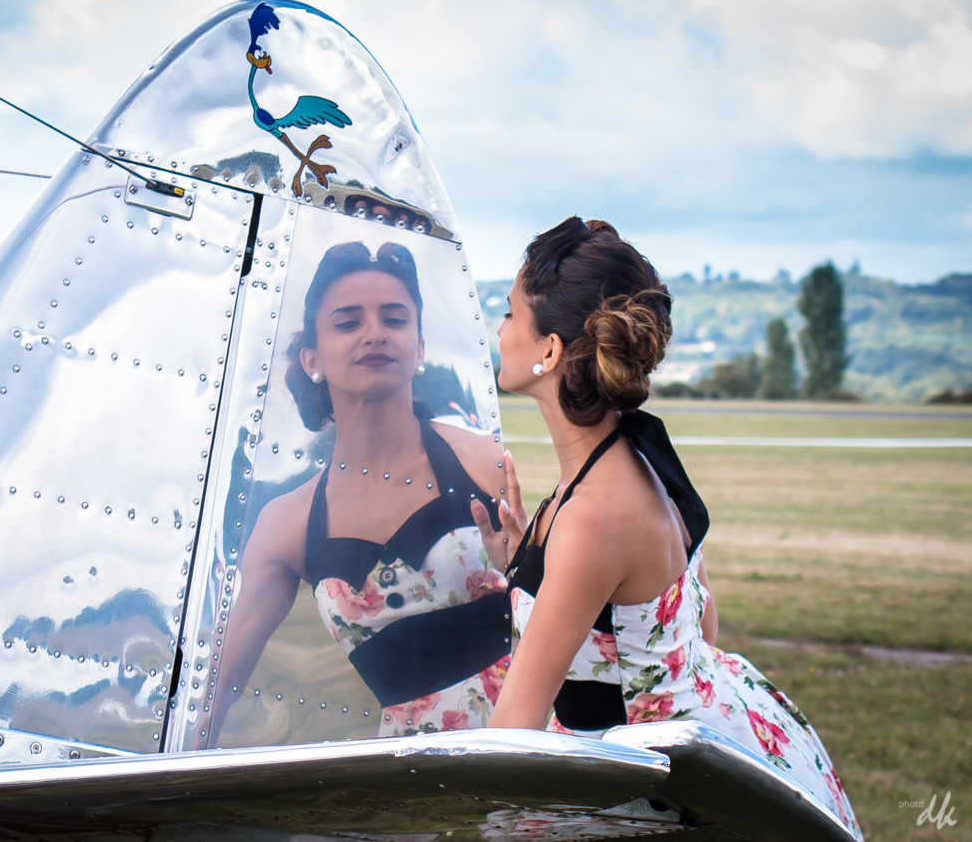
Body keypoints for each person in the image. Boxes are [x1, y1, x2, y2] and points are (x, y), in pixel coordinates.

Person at [473, 217, 860, 833]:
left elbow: (513, 732)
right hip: (721, 735)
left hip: (655, 790)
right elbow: (700, 625)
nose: (499, 329)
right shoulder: (642, 455)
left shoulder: (593, 514)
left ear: (549, 351)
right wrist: (531, 565)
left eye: (510, 313)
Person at [216, 241, 511, 739]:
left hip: (527, 744)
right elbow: (219, 689)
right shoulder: (288, 524)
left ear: (419, 348)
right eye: (348, 323)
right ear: (312, 358)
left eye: (394, 319)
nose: (375, 333)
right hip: (408, 773)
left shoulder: (486, 463)